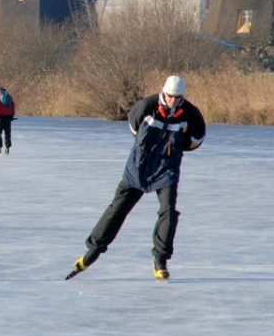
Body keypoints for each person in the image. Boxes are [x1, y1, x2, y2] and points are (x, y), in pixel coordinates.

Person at [66, 75, 207, 282]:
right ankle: (93, 251)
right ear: (163, 93)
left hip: (166, 170)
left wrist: (173, 149)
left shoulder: (190, 114)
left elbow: (197, 139)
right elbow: (133, 127)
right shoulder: (147, 106)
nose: (173, 101)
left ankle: (160, 259)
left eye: (178, 98)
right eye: (170, 96)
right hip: (138, 168)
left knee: (168, 211)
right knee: (117, 209)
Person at [0, 85, 16, 154]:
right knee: (7, 133)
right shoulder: (7, 94)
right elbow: (13, 104)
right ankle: (7, 148)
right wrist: (12, 115)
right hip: (8, 116)